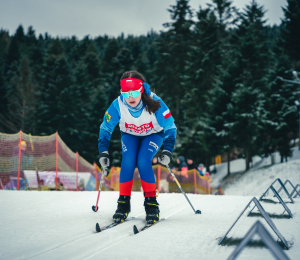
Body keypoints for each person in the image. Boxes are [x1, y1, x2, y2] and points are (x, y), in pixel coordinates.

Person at [98, 71, 176, 223]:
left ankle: (151, 204)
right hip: (130, 135)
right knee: (128, 161)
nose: (130, 97)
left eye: (134, 92)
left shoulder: (155, 102)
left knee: (142, 161)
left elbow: (170, 127)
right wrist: (103, 152)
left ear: (141, 90)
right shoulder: (118, 105)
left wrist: (168, 150)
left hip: (153, 134)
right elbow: (105, 128)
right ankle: (123, 204)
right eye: (126, 94)